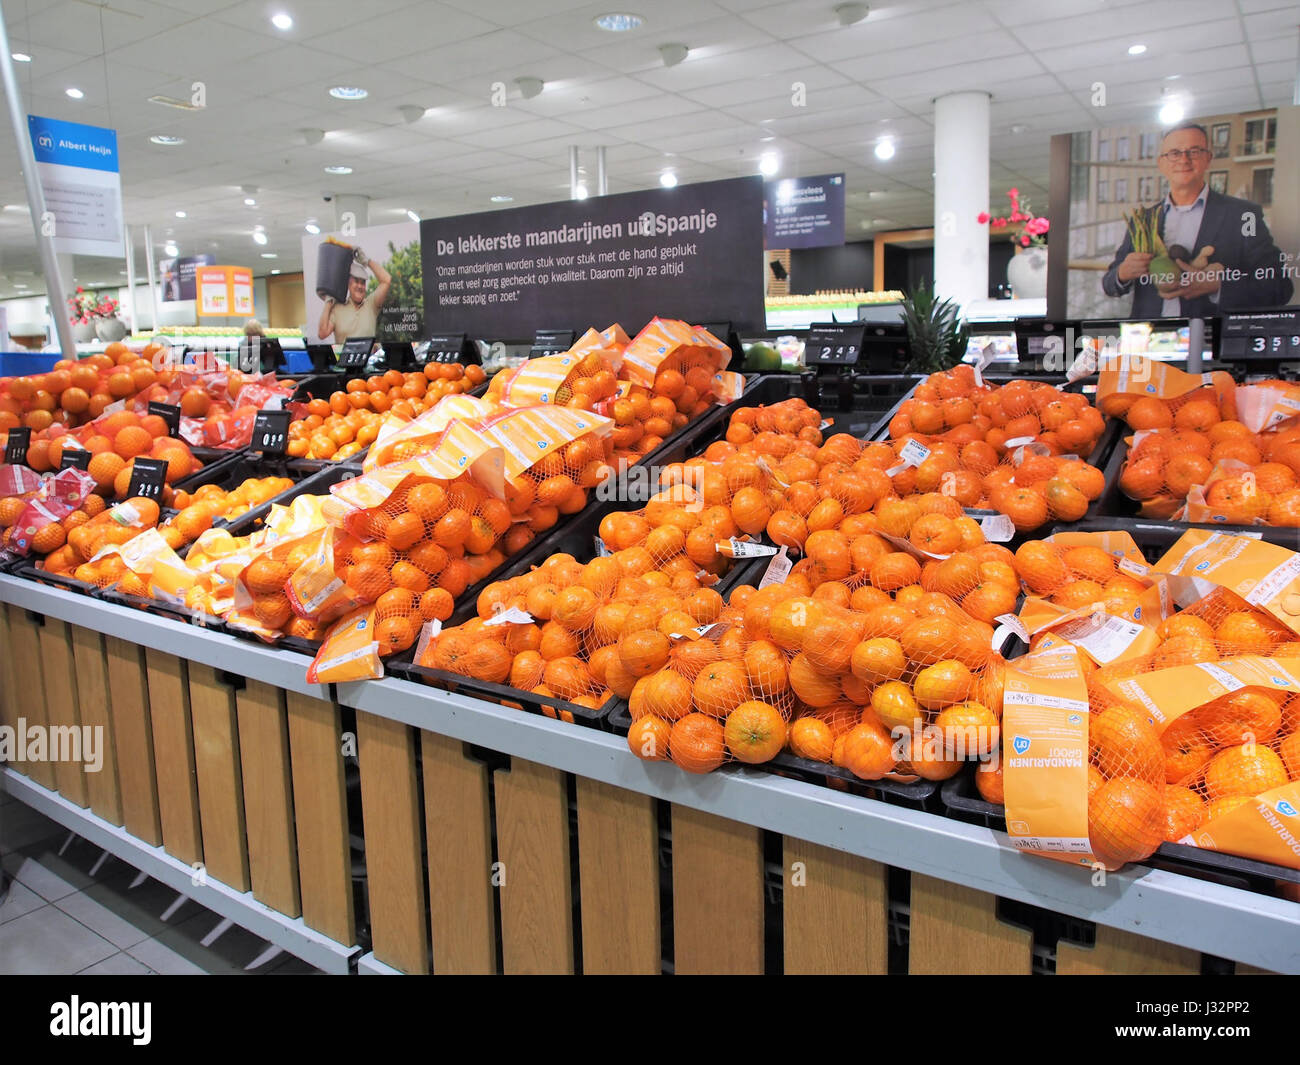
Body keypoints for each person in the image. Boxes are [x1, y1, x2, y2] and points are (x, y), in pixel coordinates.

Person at [1101, 123, 1292, 316]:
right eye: (1174, 153)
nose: (1183, 160)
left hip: (1211, 340)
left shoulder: (1243, 215)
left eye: (1194, 151)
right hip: (1149, 339)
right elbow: (1109, 284)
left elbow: (1279, 287)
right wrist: (1122, 273)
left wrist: (1217, 287)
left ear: (1208, 158)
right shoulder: (1143, 220)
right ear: (1162, 163)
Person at [318, 246, 390, 344]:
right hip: (345, 359)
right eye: (356, 281)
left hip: (369, 359)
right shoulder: (337, 309)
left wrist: (367, 261)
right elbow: (322, 334)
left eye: (363, 282)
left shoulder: (372, 304)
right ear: (348, 283)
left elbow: (386, 280)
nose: (360, 286)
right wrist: (328, 302)